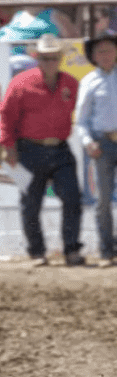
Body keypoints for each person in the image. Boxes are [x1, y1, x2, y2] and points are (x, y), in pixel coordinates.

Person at [0, 34, 85, 267]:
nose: (49, 62)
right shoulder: (21, 83)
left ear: (60, 58)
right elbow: (6, 116)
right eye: (45, 58)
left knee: (72, 198)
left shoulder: (70, 84)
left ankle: (71, 249)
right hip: (28, 149)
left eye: (54, 58)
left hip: (60, 148)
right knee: (30, 203)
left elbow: (83, 111)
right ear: (37, 58)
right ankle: (37, 252)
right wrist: (8, 147)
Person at [76, 32, 117, 265]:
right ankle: (106, 251)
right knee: (103, 201)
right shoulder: (89, 82)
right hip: (102, 143)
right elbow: (81, 120)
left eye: (109, 49)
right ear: (93, 56)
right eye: (101, 51)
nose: (106, 55)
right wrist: (88, 142)